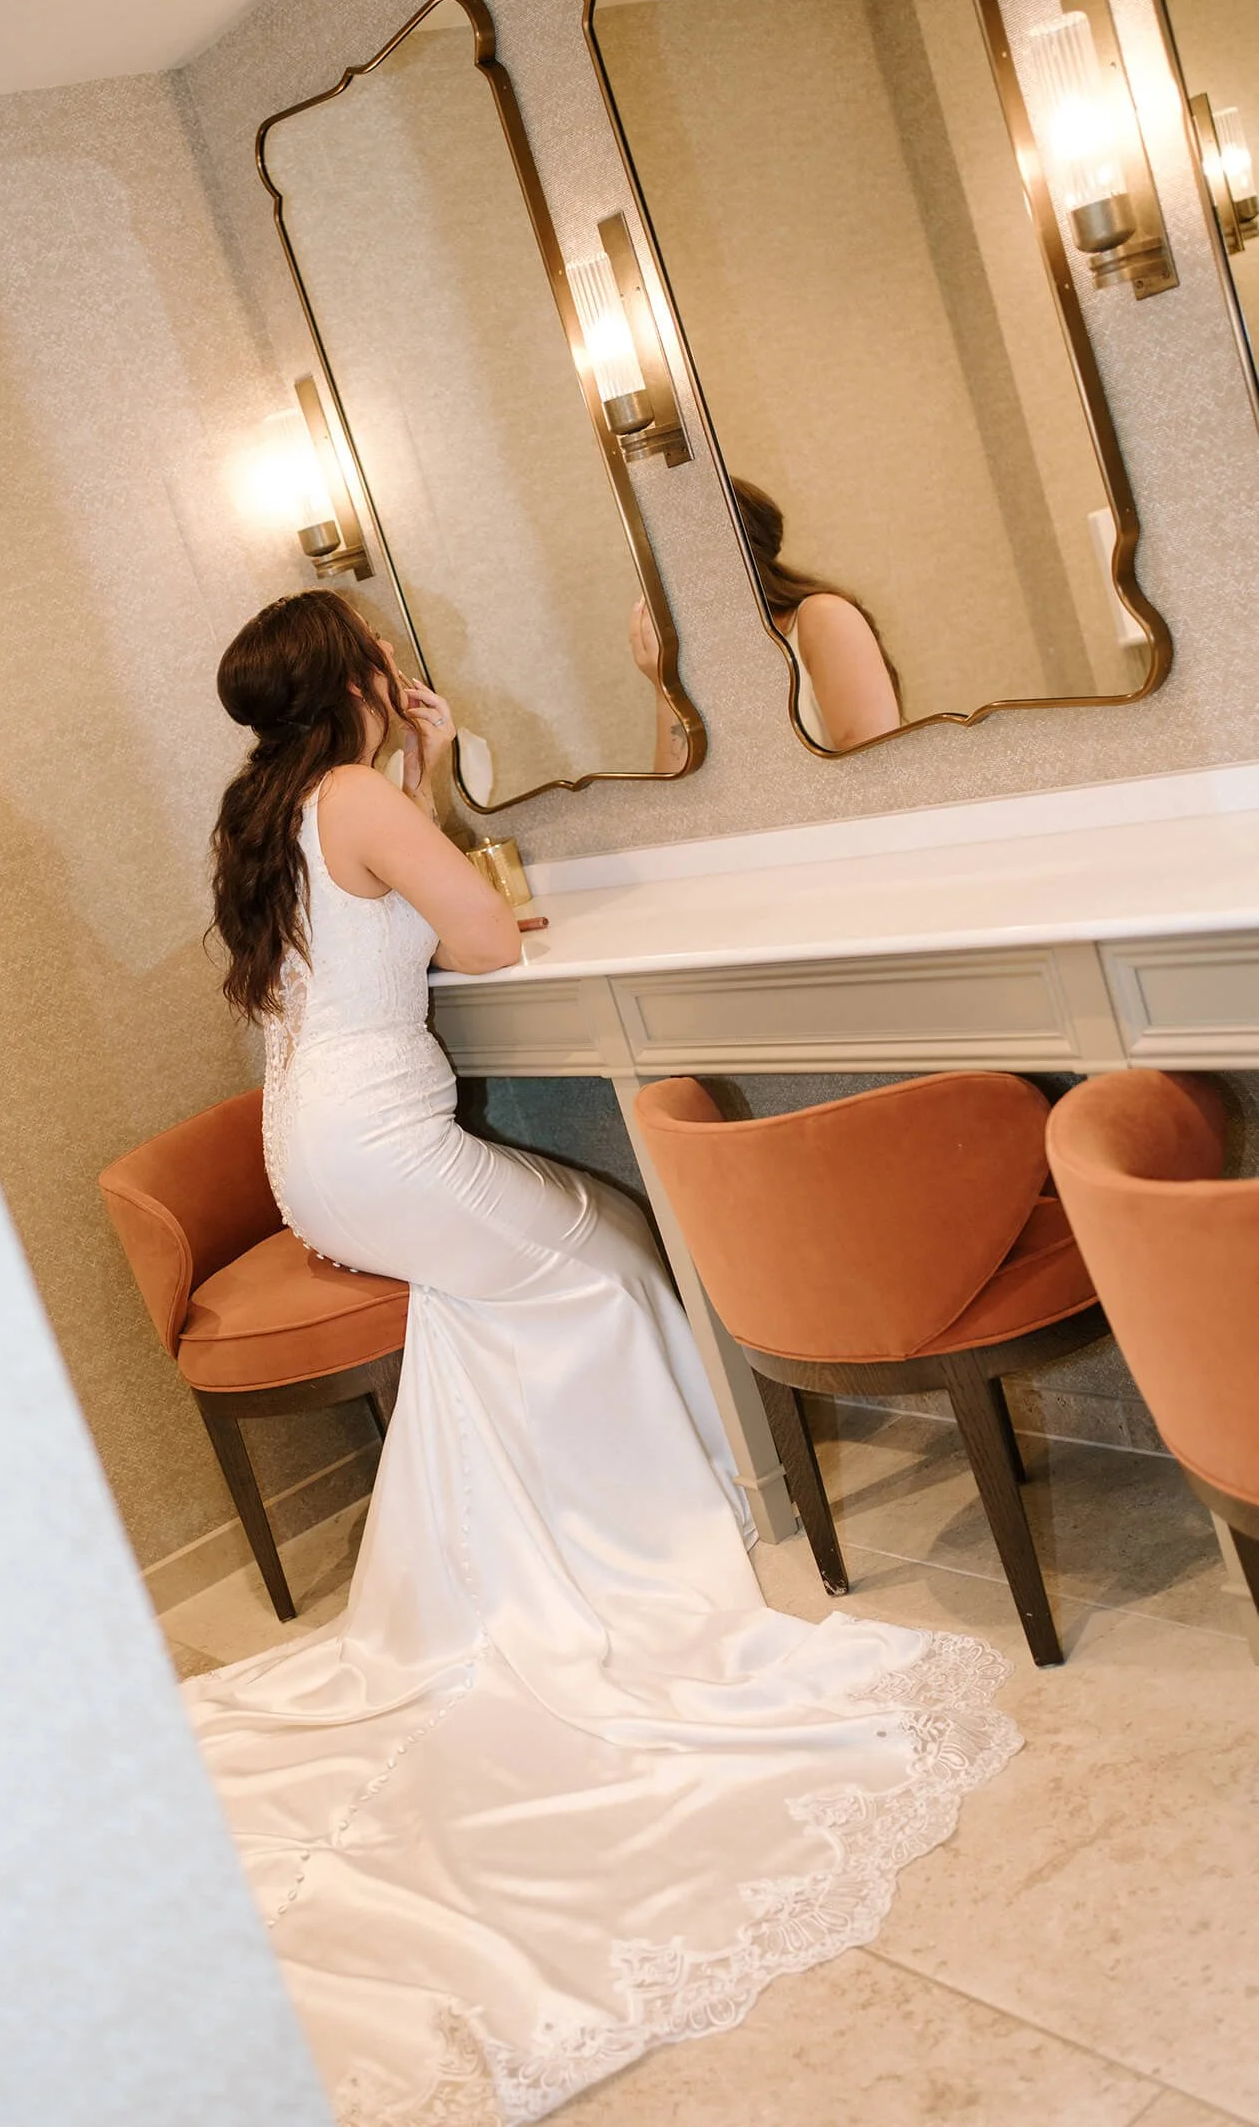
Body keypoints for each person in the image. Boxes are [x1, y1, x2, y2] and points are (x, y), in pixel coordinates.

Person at [189, 586, 1015, 2125]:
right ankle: (665, 1522)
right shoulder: (359, 789)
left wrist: (426, 786)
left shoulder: (285, 803)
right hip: (378, 1142)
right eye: (382, 641)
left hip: (316, 1151)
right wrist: (425, 789)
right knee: (613, 1261)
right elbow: (487, 935)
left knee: (514, 1291)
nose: (403, 654)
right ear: (357, 674)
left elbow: (399, 917)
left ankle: (549, 1541)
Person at [629, 480, 901, 759]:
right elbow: (678, 798)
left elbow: (880, 769)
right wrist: (666, 686)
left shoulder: (824, 618)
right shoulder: (699, 662)